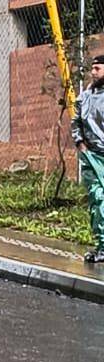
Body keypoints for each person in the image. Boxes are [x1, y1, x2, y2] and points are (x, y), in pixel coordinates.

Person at [72, 55, 104, 263]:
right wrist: (81, 144)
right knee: (98, 199)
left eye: (98, 69)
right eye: (92, 69)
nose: (93, 73)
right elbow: (76, 123)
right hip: (92, 156)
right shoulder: (84, 97)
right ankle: (102, 245)